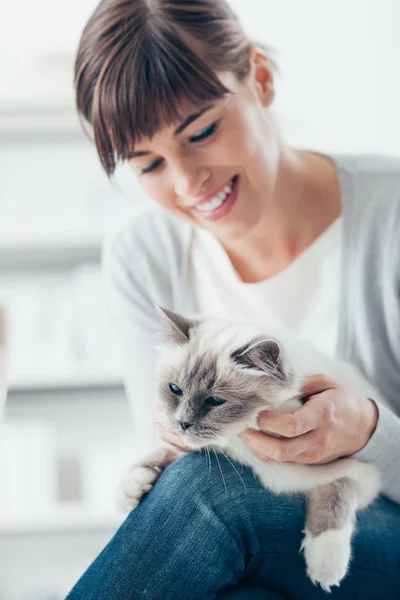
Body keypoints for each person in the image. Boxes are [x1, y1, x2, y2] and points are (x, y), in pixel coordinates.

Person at [67, 0, 400, 597]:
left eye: (202, 132)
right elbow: (167, 460)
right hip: (276, 548)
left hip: (380, 528)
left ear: (262, 78)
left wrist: (369, 432)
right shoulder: (142, 256)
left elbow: (194, 487)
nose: (188, 182)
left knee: (209, 490)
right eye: (148, 164)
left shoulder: (392, 218)